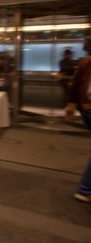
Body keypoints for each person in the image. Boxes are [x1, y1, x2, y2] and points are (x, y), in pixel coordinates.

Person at [65, 37, 91, 203]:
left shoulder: (85, 61)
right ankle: (85, 189)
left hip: (86, 108)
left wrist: (71, 104)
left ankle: (85, 189)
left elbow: (74, 84)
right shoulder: (86, 62)